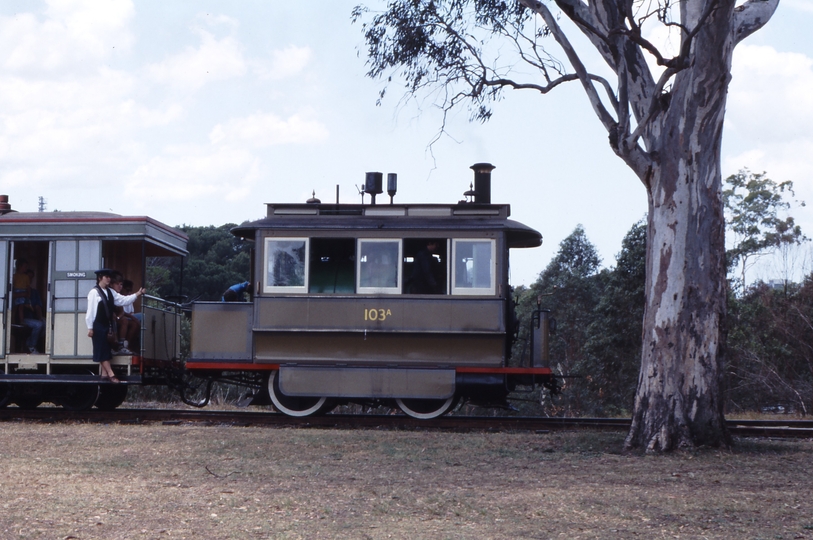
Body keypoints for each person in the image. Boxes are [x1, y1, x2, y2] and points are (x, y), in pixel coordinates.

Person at [86, 269, 145, 383]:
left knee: (106, 350)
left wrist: (137, 294)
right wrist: (90, 327)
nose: (108, 279)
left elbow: (123, 300)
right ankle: (111, 374)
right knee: (101, 351)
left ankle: (104, 375)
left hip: (106, 325)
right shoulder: (94, 292)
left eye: (109, 277)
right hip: (97, 325)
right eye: (106, 277)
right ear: (100, 278)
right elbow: (91, 311)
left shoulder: (110, 292)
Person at [110, 276, 141, 354]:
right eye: (117, 284)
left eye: (121, 284)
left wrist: (119, 316)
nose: (128, 293)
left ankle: (126, 345)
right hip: (110, 318)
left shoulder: (121, 296)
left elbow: (122, 311)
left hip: (118, 317)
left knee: (135, 323)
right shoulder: (110, 293)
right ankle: (118, 345)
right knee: (124, 320)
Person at [20, 268, 45, 354]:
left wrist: (40, 317)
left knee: (45, 324)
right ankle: (31, 345)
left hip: (33, 318)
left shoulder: (34, 292)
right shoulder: (20, 291)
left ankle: (29, 341)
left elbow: (38, 306)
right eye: (28, 277)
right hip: (23, 318)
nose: (29, 280)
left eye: (31, 278)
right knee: (39, 325)